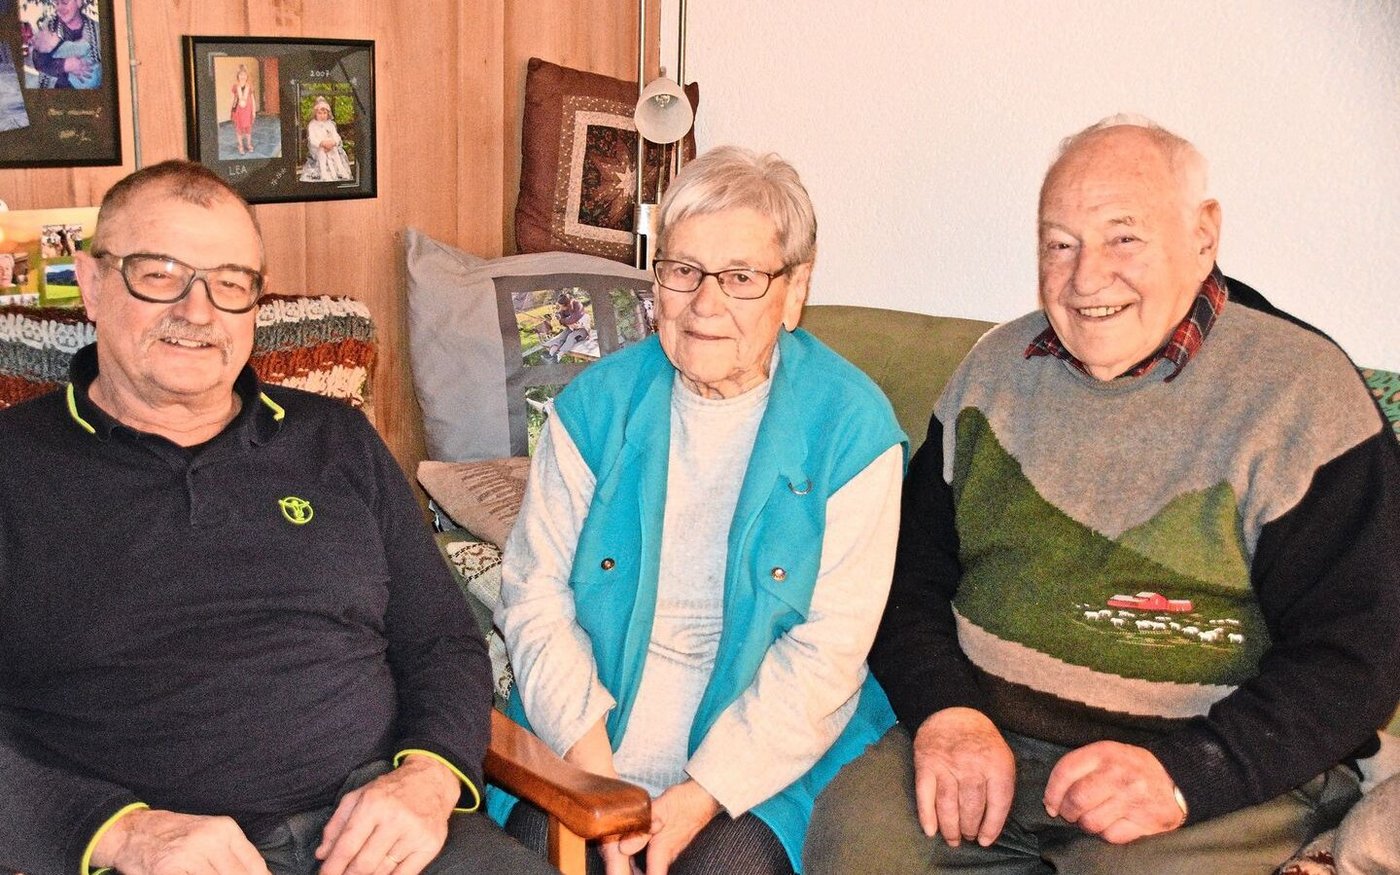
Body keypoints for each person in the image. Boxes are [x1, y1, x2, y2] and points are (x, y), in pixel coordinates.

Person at [805, 116, 1400, 874]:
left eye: (1123, 238)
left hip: (1214, 776)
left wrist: (1187, 777)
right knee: (855, 842)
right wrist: (947, 712)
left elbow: (1357, 656)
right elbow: (906, 577)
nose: (1086, 279)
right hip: (990, 744)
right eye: (1060, 245)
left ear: (1204, 236)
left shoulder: (1303, 398)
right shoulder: (992, 374)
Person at [0, 160, 555, 875]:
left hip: (378, 829)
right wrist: (120, 834)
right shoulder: (13, 464)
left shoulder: (336, 439)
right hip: (144, 849)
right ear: (92, 284)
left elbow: (442, 640)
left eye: (230, 283)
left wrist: (427, 778)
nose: (197, 312)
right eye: (160, 274)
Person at [493, 145, 907, 875]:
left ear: (795, 290)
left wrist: (702, 794)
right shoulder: (594, 407)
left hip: (760, 759)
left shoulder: (852, 429)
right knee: (534, 853)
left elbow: (828, 653)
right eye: (683, 270)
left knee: (723, 866)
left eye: (741, 277)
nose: (704, 304)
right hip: (587, 736)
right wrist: (597, 787)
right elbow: (534, 598)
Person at [29, 0, 101, 89]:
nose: (59, 8)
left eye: (65, 3)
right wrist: (64, 65)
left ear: (79, 2)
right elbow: (38, 62)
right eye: (57, 3)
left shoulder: (97, 29)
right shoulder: (49, 27)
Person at [301, 96, 353, 182]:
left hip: (330, 145)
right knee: (321, 151)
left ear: (328, 114)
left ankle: (340, 170)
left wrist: (333, 142)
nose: (322, 116)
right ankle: (324, 172)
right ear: (315, 114)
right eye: (319, 113)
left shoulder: (330, 124)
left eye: (324, 113)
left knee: (335, 150)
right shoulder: (312, 125)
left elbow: (336, 136)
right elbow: (312, 139)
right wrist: (321, 143)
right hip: (318, 147)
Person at [230, 64, 256, 155]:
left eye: (244, 74)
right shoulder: (235, 86)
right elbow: (233, 99)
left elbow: (252, 99)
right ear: (238, 76)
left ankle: (249, 144)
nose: (243, 76)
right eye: (241, 74)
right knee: (239, 129)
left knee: (248, 129)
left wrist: (253, 111)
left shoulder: (250, 86)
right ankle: (240, 146)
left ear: (247, 76)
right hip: (238, 112)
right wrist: (232, 111)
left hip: (248, 111)